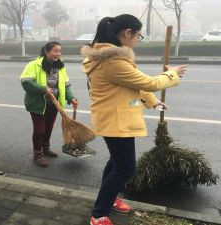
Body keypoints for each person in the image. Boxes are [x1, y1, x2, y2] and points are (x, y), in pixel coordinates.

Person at [81, 15, 188, 225]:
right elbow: (146, 82)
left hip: (115, 118)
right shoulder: (112, 61)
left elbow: (132, 82)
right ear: (127, 33)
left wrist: (152, 102)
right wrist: (172, 75)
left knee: (116, 163)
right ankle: (99, 214)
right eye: (139, 35)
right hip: (116, 121)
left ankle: (108, 201)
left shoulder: (109, 57)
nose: (138, 39)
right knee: (125, 168)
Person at [20, 42, 78, 167]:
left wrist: (71, 98)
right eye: (55, 51)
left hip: (54, 103)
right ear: (47, 51)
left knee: (48, 128)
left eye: (60, 51)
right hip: (38, 104)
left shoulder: (60, 67)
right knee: (39, 130)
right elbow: (26, 82)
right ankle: (38, 154)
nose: (58, 54)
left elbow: (66, 84)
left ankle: (45, 149)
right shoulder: (34, 65)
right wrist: (43, 89)